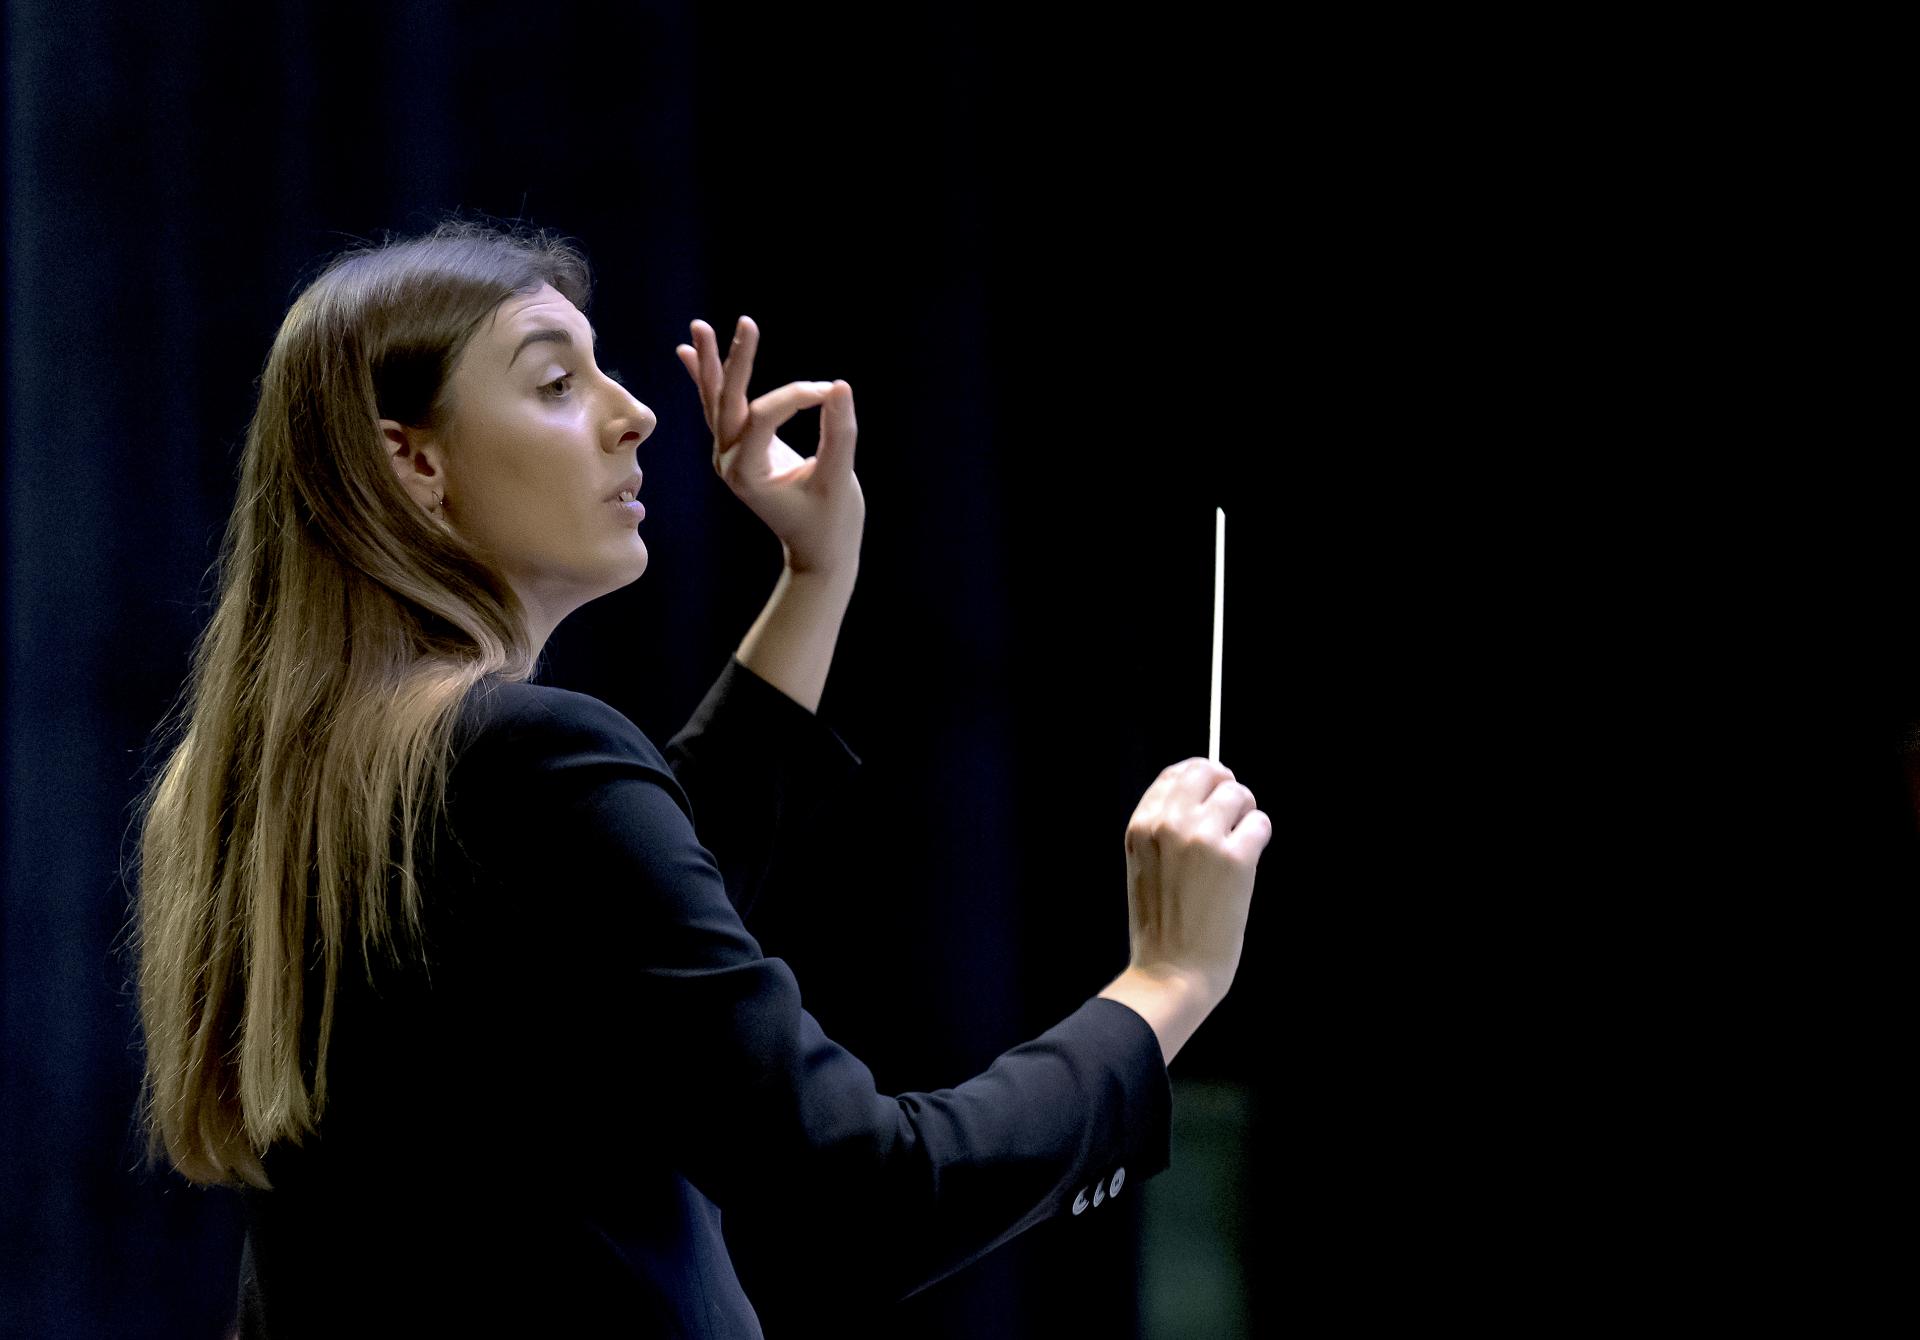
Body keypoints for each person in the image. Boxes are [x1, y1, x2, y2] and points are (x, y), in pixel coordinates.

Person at [127, 217, 1270, 1337]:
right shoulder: (526, 761)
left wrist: (817, 572)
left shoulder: (259, 796)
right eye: (556, 385)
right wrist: (1165, 983)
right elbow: (870, 1198)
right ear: (414, 460)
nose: (633, 416)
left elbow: (617, 939)